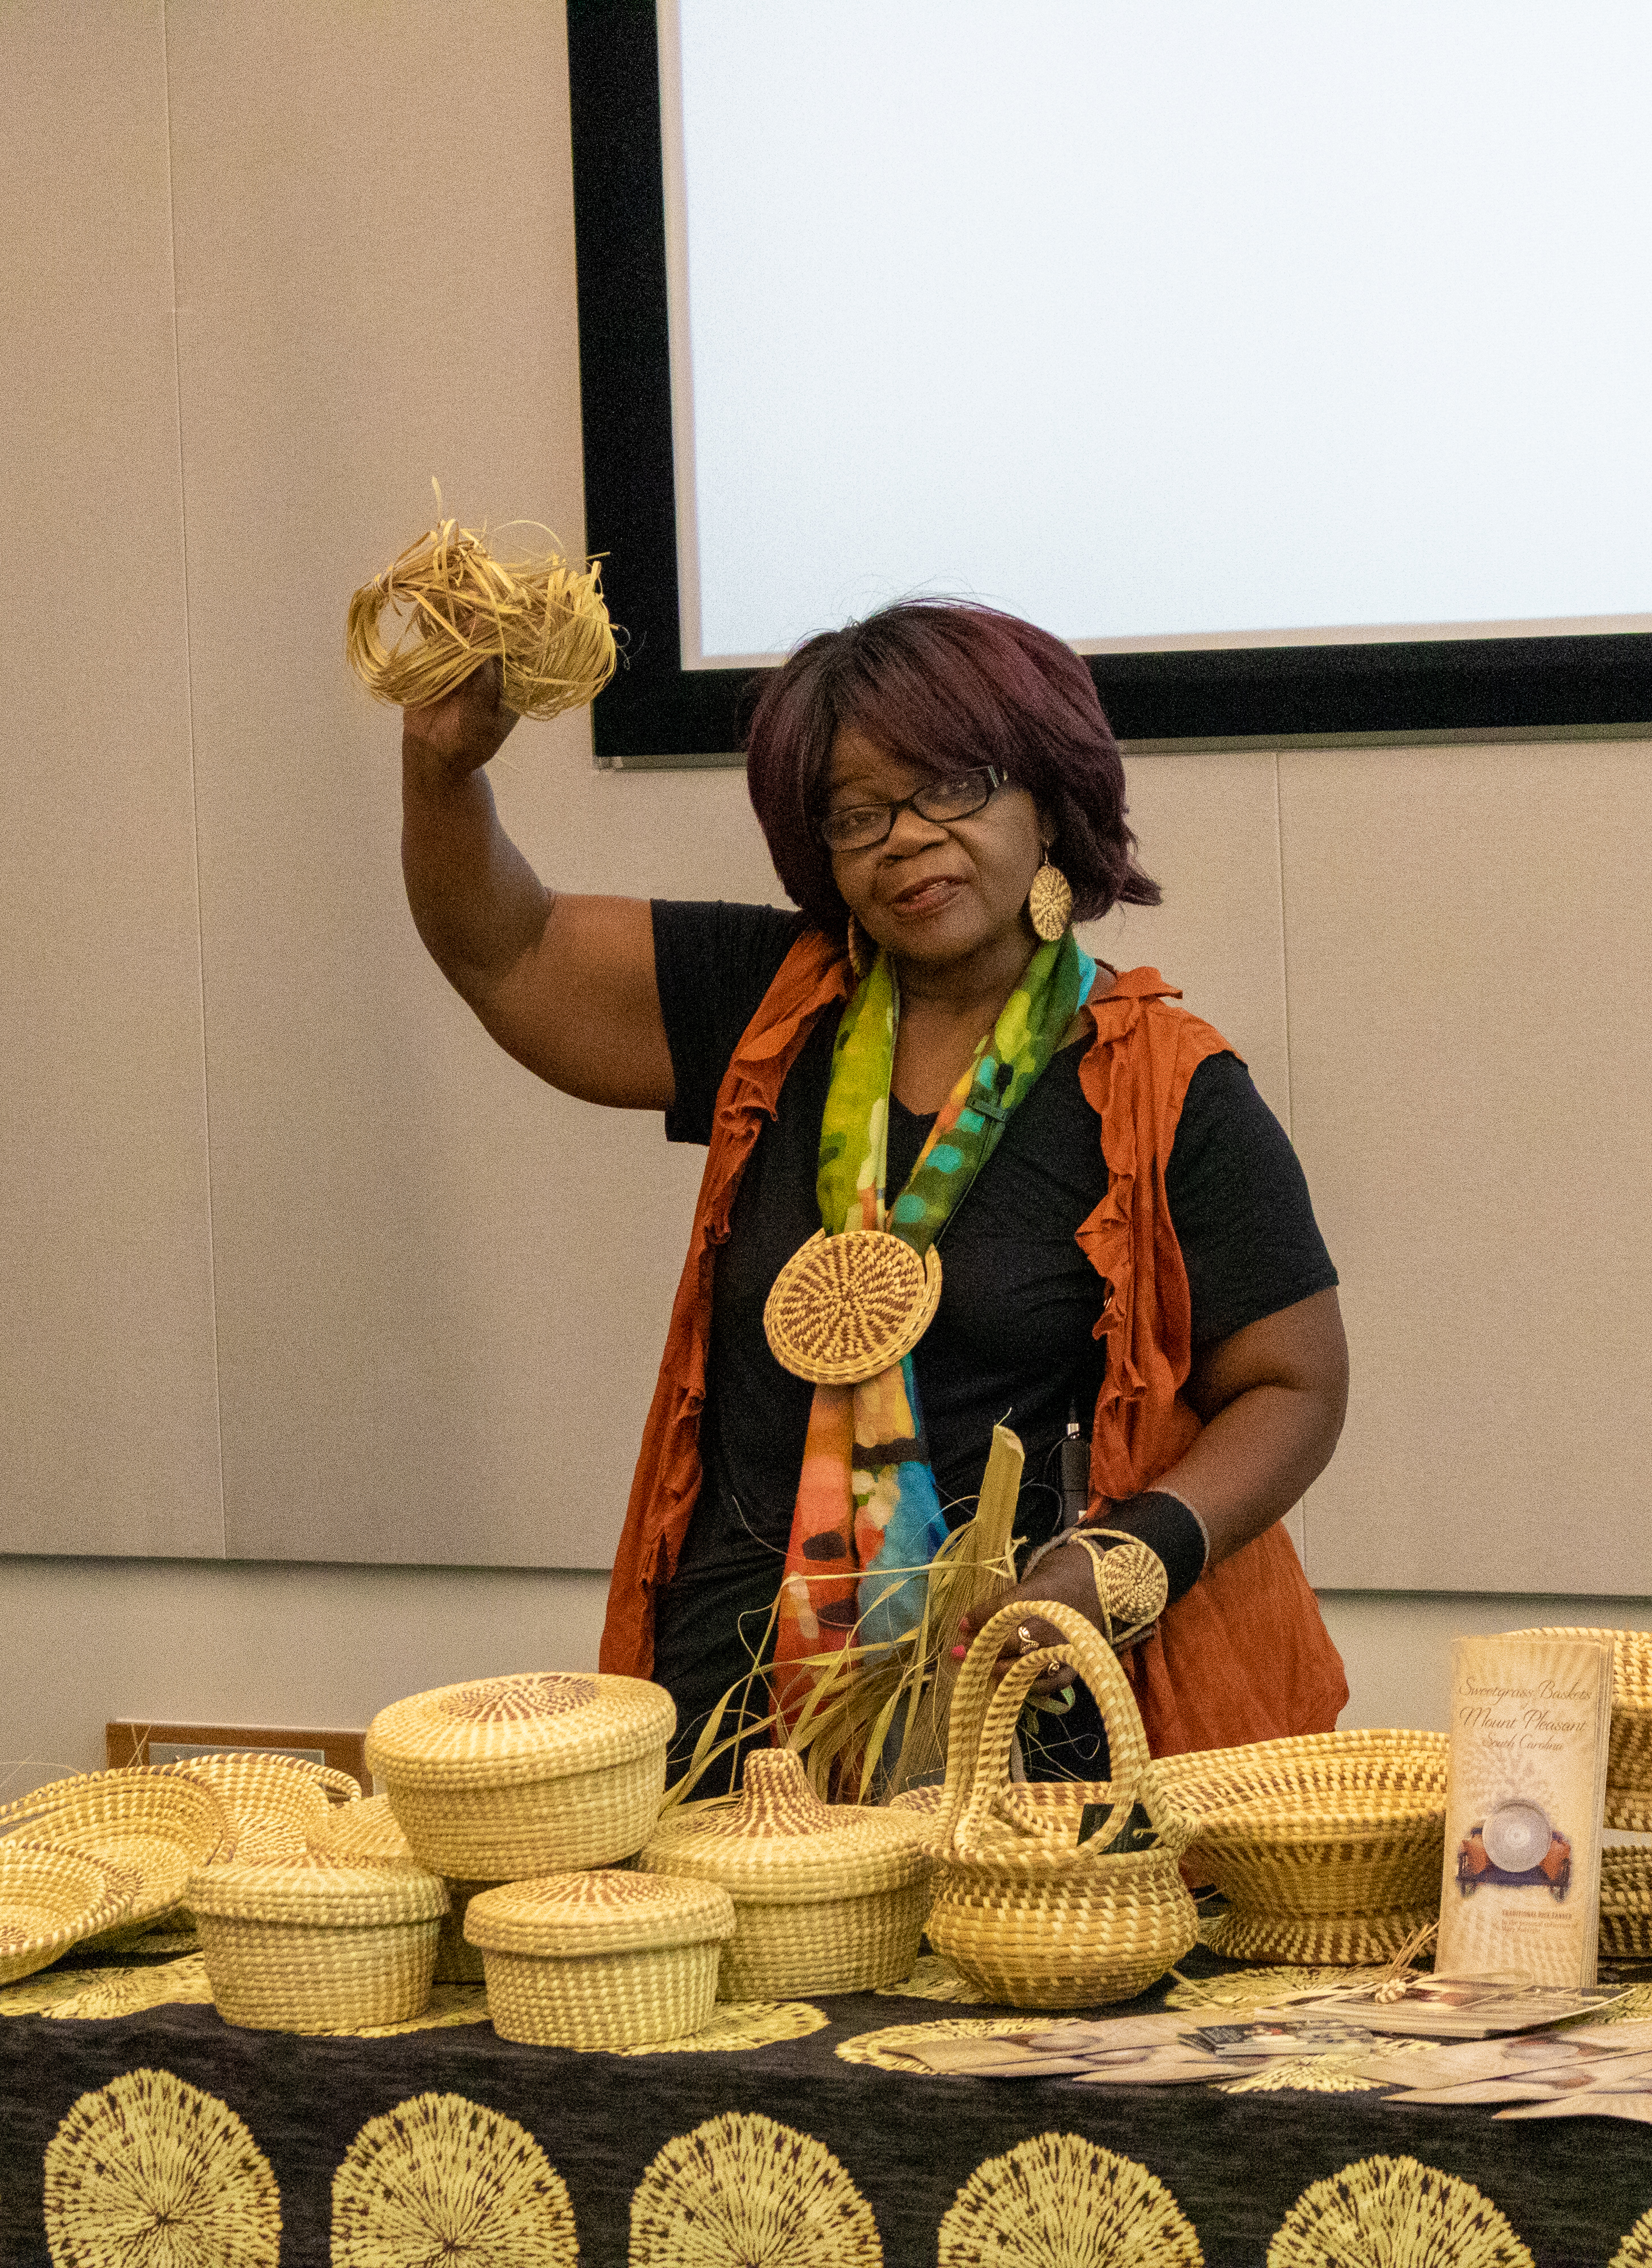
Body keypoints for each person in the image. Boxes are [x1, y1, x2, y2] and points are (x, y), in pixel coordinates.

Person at [400, 598, 1350, 1787]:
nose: (903, 837)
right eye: (856, 813)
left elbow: (1295, 1382)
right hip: (731, 1729)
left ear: (1048, 798)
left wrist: (1120, 1559)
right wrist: (443, 768)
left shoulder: (1168, 1085)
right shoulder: (772, 999)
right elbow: (510, 950)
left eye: (951, 787)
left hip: (1018, 1717)